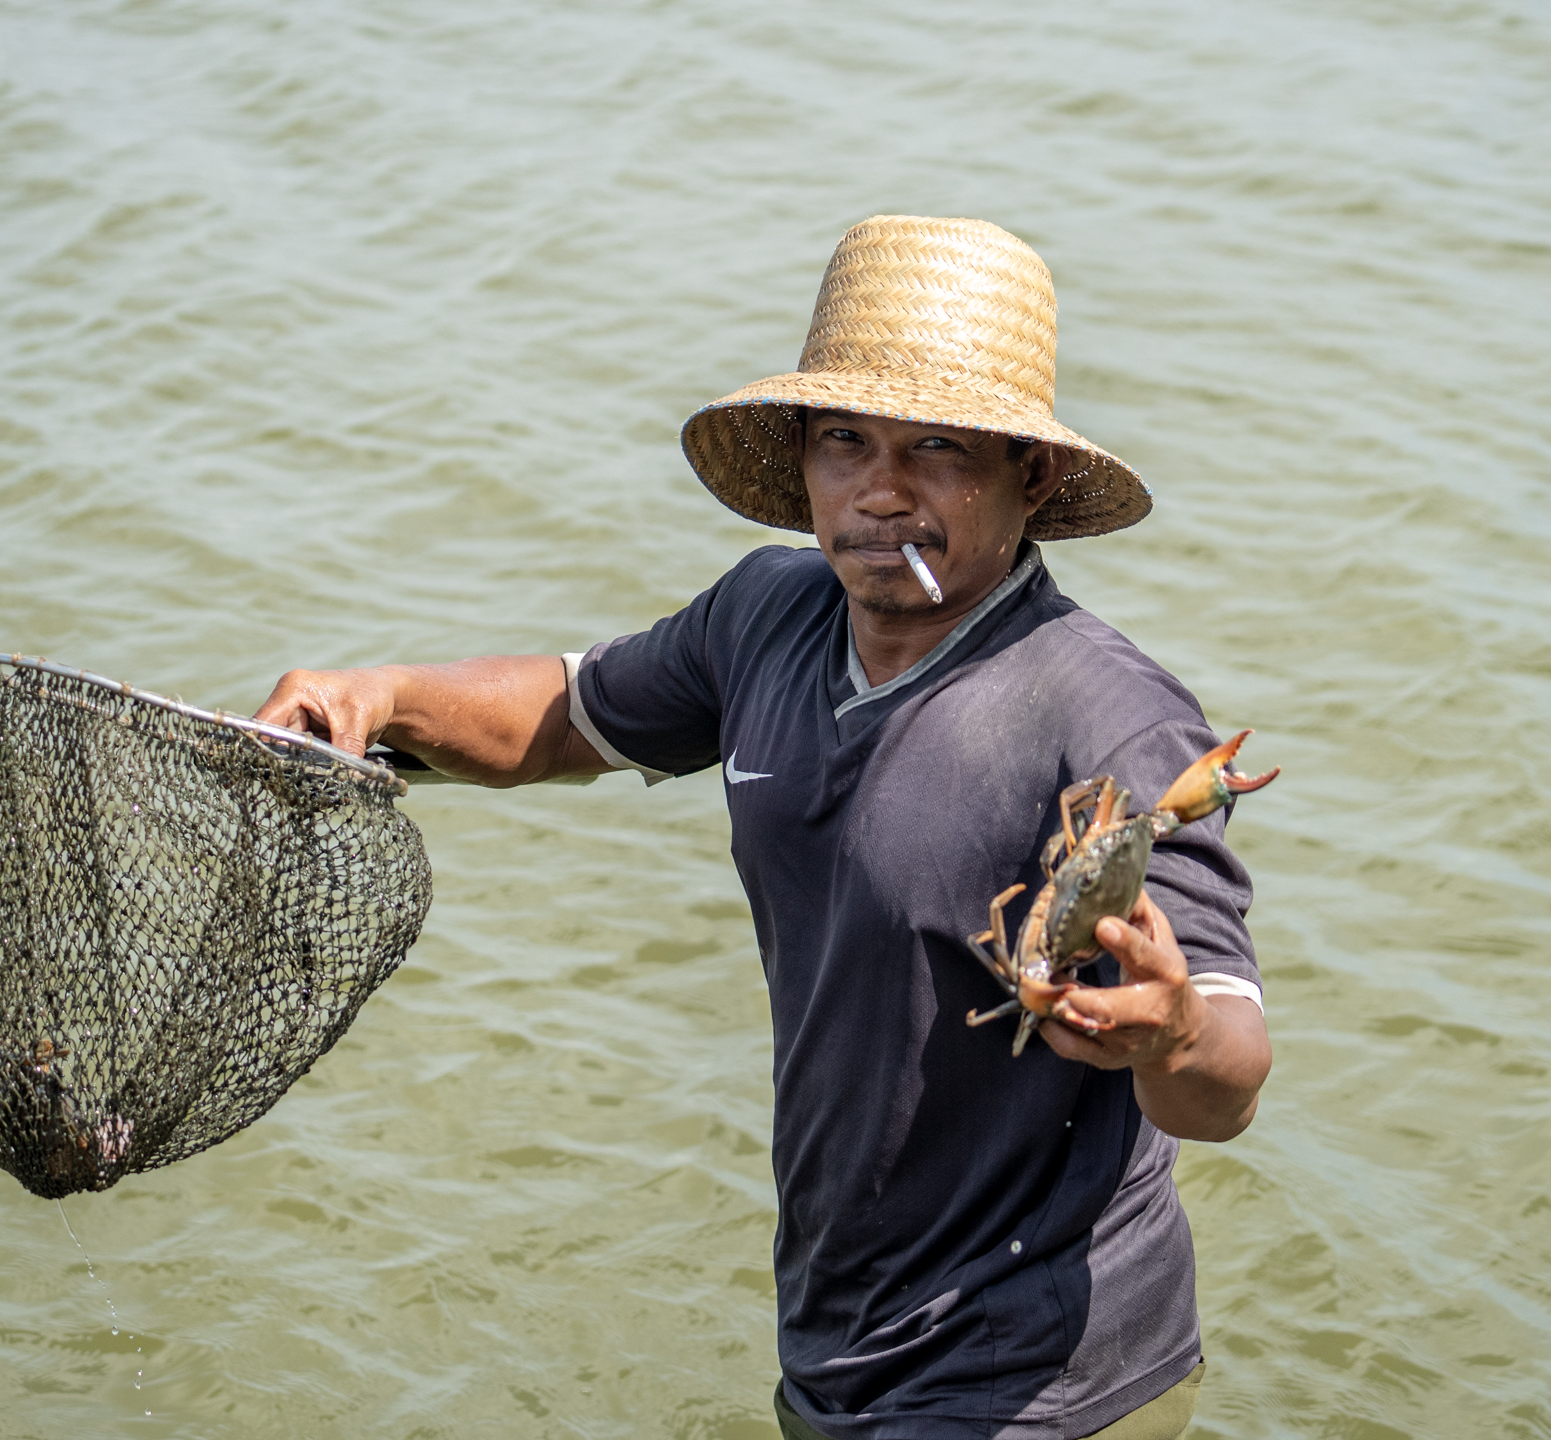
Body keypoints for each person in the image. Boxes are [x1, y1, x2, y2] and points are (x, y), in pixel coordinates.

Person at [256, 215, 1272, 1440]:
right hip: (839, 1339)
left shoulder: (1110, 720)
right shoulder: (766, 617)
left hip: (1043, 1380)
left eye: (939, 449)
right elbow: (571, 714)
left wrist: (1165, 1038)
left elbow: (1227, 1071)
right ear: (799, 457)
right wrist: (382, 701)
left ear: (1032, 477)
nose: (880, 491)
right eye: (845, 441)